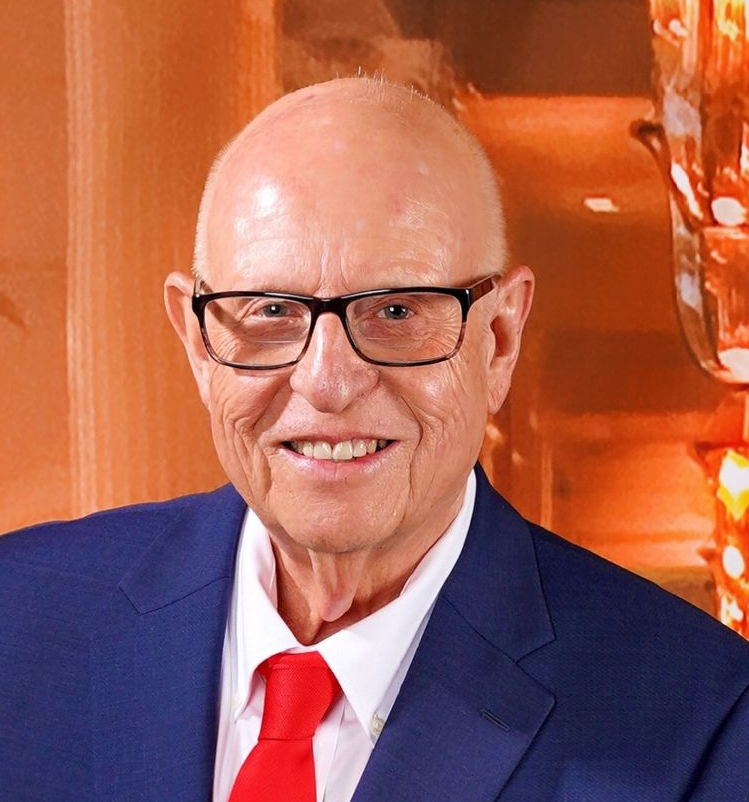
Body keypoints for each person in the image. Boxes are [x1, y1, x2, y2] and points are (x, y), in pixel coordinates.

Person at [1, 77, 748, 802]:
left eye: (396, 312)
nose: (326, 382)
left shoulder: (701, 723)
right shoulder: (20, 620)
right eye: (269, 311)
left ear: (499, 338)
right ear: (198, 343)